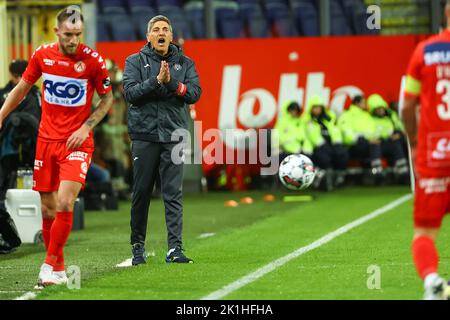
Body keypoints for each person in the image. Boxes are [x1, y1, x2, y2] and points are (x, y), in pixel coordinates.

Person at [0, 6, 113, 287]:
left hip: (77, 142)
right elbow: (22, 89)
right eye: (68, 35)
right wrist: (1, 116)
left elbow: (107, 99)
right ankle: (59, 269)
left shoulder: (93, 61)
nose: (74, 40)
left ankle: (48, 265)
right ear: (57, 32)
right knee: (48, 208)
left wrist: (86, 126)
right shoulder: (42, 55)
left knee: (65, 201)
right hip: (46, 141)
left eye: (78, 34)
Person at [123, 15, 201, 265]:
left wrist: (172, 84)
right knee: (141, 192)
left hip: (174, 136)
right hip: (144, 135)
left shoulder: (185, 62)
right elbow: (131, 94)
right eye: (155, 29)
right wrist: (157, 81)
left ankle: (175, 249)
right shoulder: (134, 61)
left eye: (165, 29)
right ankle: (137, 247)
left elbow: (194, 93)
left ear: (170, 36)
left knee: (172, 193)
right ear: (148, 36)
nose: (160, 33)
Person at [402, 0, 450, 300]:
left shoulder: (425, 51)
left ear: (446, 12)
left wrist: (414, 141)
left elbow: (407, 106)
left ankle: (432, 282)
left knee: (424, 232)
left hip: (435, 153)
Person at [302, 95, 348, 191]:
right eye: (315, 107)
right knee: (325, 158)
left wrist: (337, 143)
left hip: (330, 144)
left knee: (342, 153)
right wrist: (323, 145)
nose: (317, 110)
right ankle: (327, 182)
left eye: (319, 107)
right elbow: (312, 135)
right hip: (315, 147)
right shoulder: (307, 119)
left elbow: (335, 130)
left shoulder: (328, 118)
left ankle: (339, 178)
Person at [337, 95, 384, 184]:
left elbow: (373, 131)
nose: (365, 105)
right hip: (352, 146)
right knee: (374, 146)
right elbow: (347, 134)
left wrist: (375, 138)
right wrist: (366, 140)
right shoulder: (347, 115)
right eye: (363, 102)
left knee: (379, 144)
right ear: (356, 103)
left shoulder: (366, 115)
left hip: (368, 145)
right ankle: (377, 172)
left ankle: (377, 173)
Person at [367, 94, 409, 184]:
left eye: (382, 108)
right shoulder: (369, 119)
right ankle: (377, 174)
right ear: (374, 110)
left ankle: (403, 173)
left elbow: (401, 128)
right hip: (377, 143)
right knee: (375, 145)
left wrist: (398, 134)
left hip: (390, 142)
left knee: (397, 144)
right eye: (378, 109)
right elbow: (369, 133)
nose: (381, 110)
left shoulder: (390, 117)